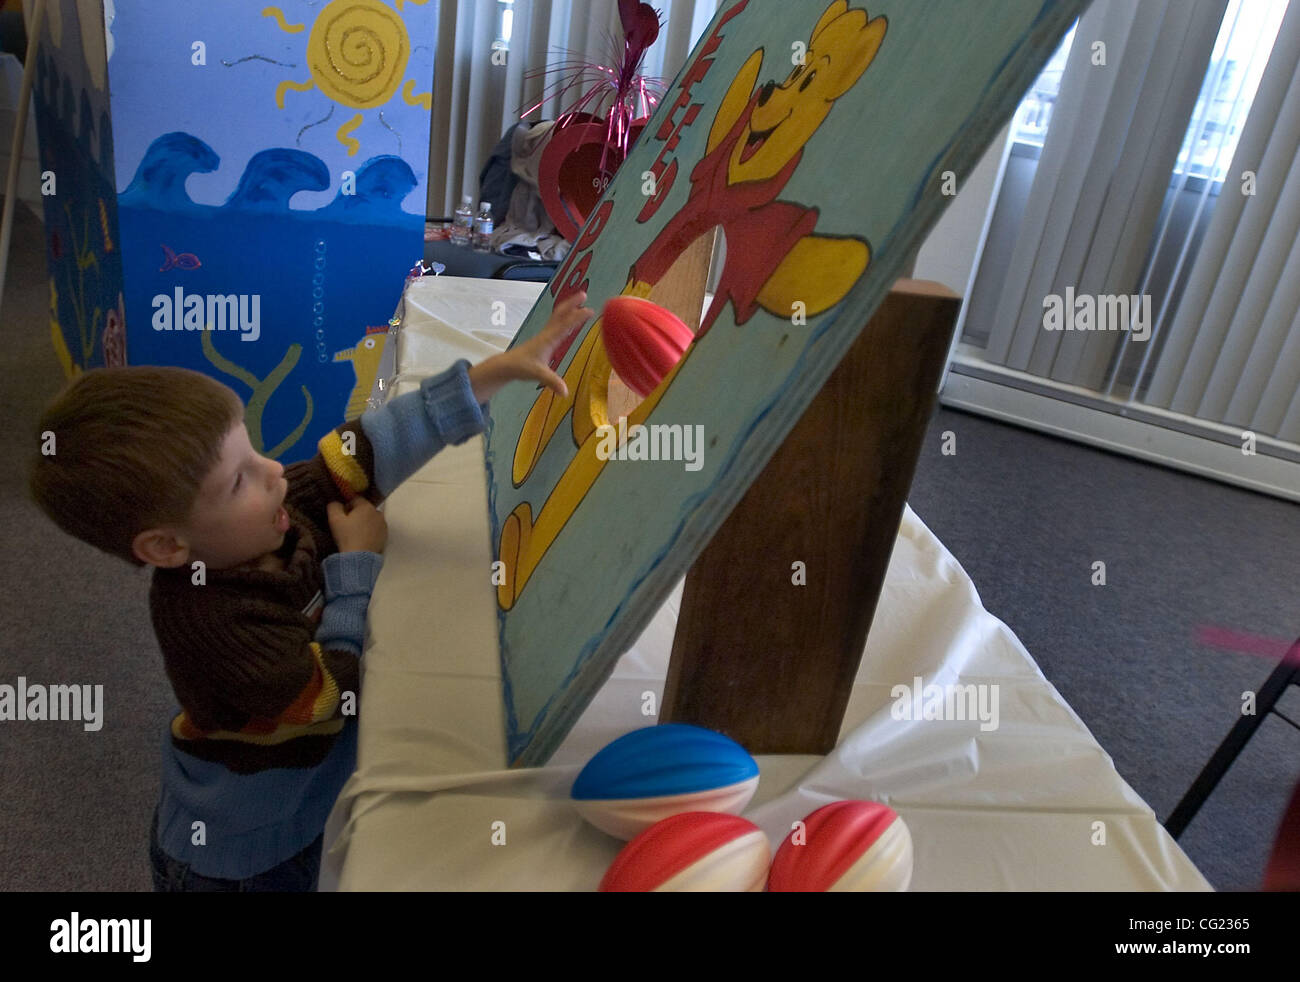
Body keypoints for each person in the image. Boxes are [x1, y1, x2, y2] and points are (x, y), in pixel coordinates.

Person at [27, 291, 595, 891]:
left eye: (252, 449)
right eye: (239, 479)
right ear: (168, 548)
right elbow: (328, 694)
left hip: (301, 800)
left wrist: (490, 375)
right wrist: (356, 566)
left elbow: (362, 450)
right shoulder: (212, 626)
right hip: (247, 853)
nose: (274, 471)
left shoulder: (267, 515)